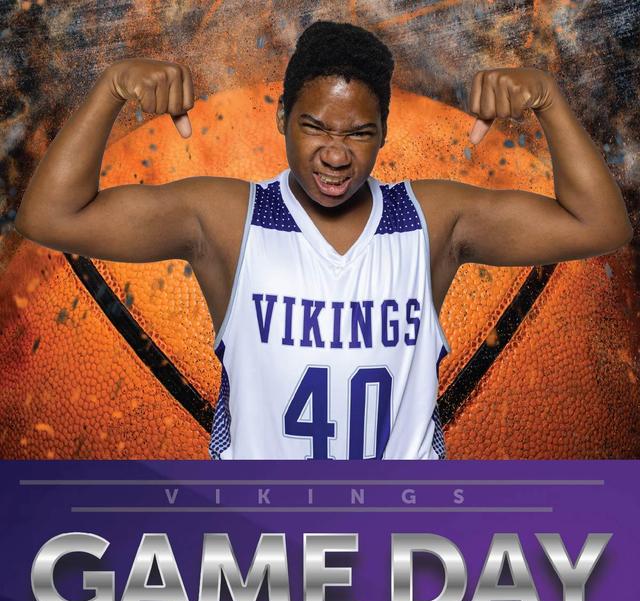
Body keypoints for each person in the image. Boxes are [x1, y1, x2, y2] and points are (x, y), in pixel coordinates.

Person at [14, 21, 632, 460]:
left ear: (384, 134)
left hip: (402, 532)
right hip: (258, 538)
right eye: (313, 127)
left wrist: (548, 99)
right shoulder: (229, 218)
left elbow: (599, 225)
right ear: (282, 118)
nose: (335, 154)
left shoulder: (431, 220)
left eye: (359, 133)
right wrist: (113, 87)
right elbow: (49, 217)